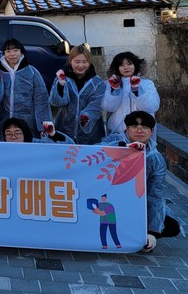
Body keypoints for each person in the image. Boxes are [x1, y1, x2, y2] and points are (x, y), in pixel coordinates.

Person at [101, 111, 179, 252]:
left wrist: (152, 232)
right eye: (134, 126)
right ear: (127, 128)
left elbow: (156, 195)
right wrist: (124, 150)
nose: (139, 130)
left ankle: (142, 236)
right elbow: (94, 151)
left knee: (172, 226)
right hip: (109, 200)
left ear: (152, 131)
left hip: (137, 203)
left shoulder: (155, 158)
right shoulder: (114, 140)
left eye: (144, 127)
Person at [0, 39, 51, 140]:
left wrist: (43, 125)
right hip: (4, 120)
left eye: (15, 50)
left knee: (27, 144)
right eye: (8, 51)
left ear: (21, 52)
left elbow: (41, 99)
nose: (12, 54)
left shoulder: (32, 72)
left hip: (27, 121)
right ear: (4, 53)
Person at [49, 45, 106, 145]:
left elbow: (96, 104)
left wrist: (86, 117)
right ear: (70, 61)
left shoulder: (97, 82)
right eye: (77, 62)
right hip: (65, 129)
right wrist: (61, 84)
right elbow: (56, 102)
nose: (81, 65)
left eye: (84, 62)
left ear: (89, 62)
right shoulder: (62, 78)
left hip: (90, 134)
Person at [102, 51, 160, 137]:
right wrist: (114, 90)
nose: (126, 67)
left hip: (141, 134)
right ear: (117, 67)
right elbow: (107, 107)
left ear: (135, 65)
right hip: (117, 133)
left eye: (129, 64)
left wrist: (136, 91)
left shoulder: (147, 83)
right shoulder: (109, 84)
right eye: (121, 65)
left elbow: (152, 107)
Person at [0, 117, 72, 144]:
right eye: (9, 134)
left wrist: (54, 135)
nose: (13, 137)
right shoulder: (1, 150)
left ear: (25, 134)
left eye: (17, 133)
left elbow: (69, 148)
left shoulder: (37, 145)